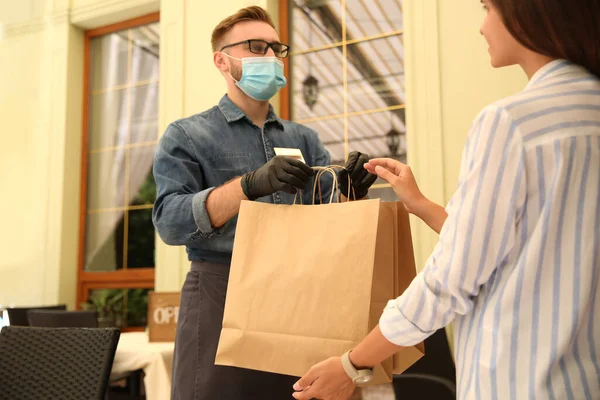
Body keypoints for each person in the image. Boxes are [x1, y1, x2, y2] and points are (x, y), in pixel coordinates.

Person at [292, 0, 600, 398]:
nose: (482, 26)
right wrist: (421, 205)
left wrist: (355, 363)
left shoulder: (511, 123)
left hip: (516, 381)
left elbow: (451, 279)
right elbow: (538, 241)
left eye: (487, 8)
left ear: (528, 12)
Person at [152, 6, 376, 400]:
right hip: (220, 291)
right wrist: (247, 186)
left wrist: (350, 189)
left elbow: (329, 217)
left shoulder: (305, 139)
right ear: (222, 61)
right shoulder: (187, 135)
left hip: (301, 293)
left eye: (277, 48)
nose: (271, 57)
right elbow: (169, 222)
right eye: (257, 47)